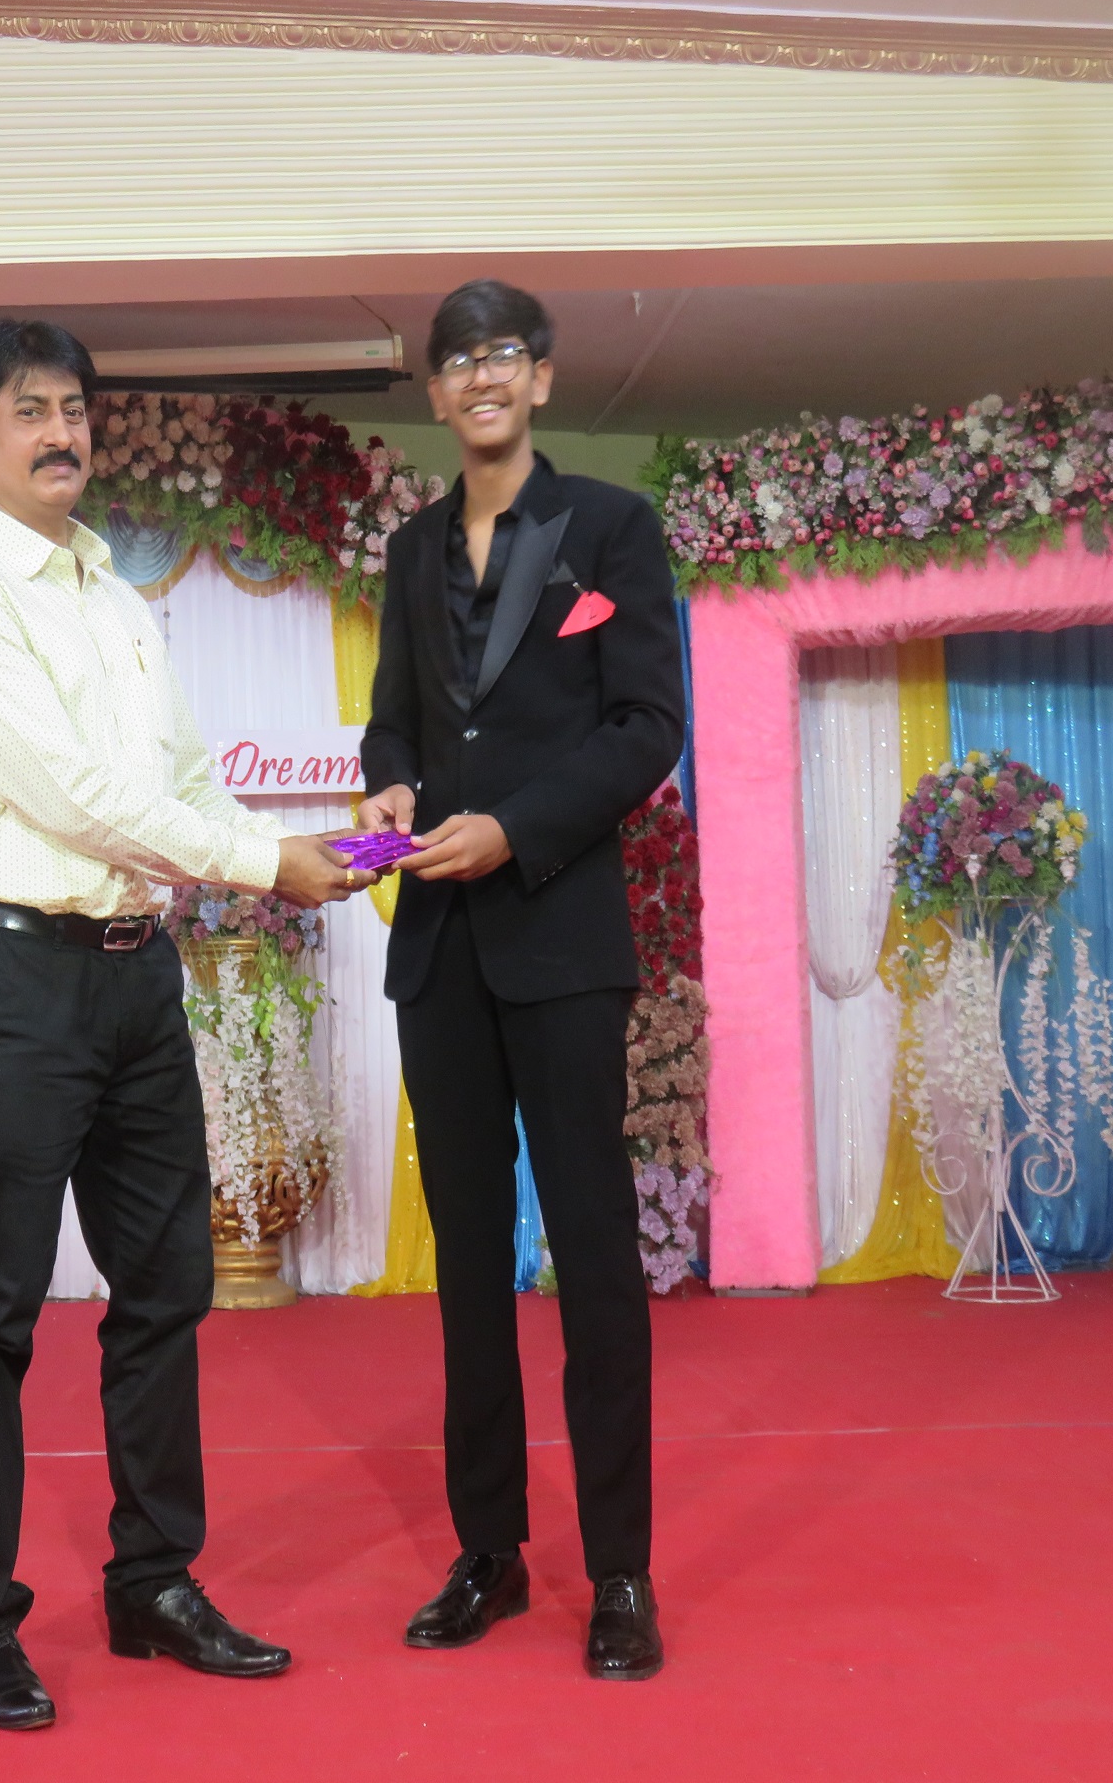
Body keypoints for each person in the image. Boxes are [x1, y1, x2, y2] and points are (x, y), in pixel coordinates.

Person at [0, 319, 370, 1732]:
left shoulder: (118, 597)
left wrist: (304, 848)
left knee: (167, 1290)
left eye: (76, 410)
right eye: (29, 410)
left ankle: (154, 1580)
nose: (61, 433)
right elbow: (74, 799)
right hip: (10, 984)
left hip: (133, 977)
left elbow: (180, 782)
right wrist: (261, 865)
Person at [358, 280, 687, 1680]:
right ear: (434, 392)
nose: (481, 378)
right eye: (457, 361)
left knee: (596, 1258)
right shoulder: (410, 549)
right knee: (469, 1264)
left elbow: (646, 725)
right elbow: (395, 719)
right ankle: (487, 1550)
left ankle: (621, 1572)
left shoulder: (611, 527)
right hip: (438, 949)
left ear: (540, 379)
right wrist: (389, 785)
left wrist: (517, 828)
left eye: (502, 355)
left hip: (560, 940)